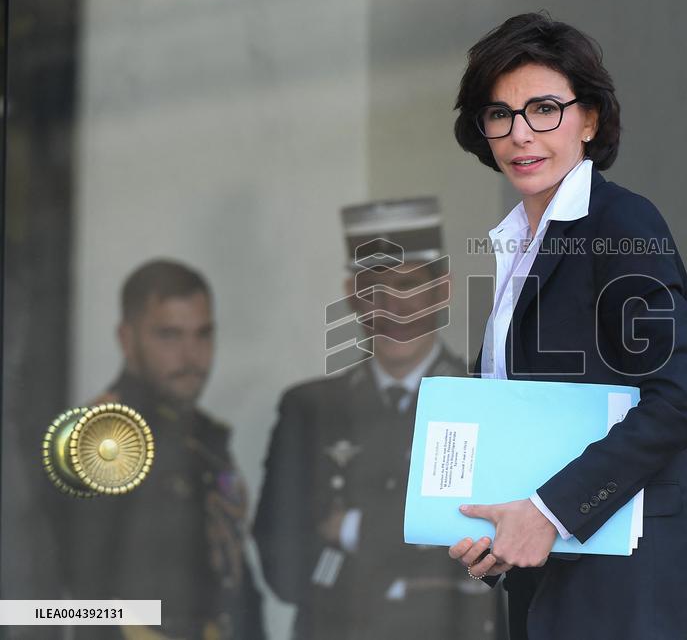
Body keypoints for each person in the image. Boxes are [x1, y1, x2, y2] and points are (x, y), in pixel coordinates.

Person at [447, 12, 687, 639]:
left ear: (589, 120)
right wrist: (500, 525)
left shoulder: (623, 224)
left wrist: (547, 513)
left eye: (544, 109)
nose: (520, 134)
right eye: (500, 114)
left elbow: (673, 402)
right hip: (559, 585)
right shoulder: (518, 245)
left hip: (643, 592)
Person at [253, 197, 502, 640]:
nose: (393, 306)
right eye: (375, 289)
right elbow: (283, 566)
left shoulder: (486, 402)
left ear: (442, 290)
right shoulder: (309, 409)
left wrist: (352, 529)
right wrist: (427, 541)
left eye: (409, 285)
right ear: (353, 295)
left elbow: (501, 554)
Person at [59, 259, 265, 640]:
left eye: (203, 335)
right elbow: (71, 595)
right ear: (127, 339)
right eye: (169, 336)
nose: (191, 356)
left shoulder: (205, 438)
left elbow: (233, 574)